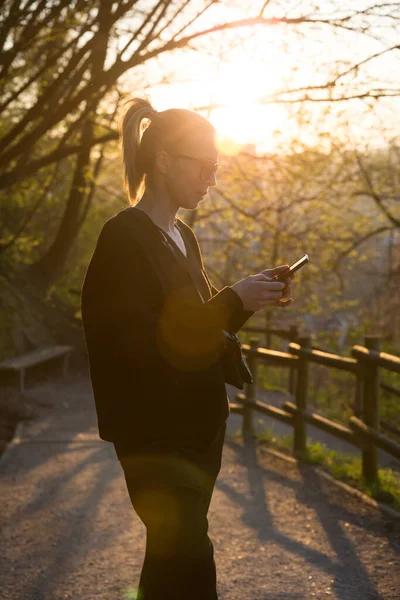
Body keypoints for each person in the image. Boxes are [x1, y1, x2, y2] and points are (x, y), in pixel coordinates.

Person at [81, 97, 294, 600]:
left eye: (216, 168)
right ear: (164, 161)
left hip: (198, 427)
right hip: (155, 433)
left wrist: (246, 299)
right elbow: (142, 342)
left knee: (171, 555)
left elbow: (195, 330)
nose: (212, 179)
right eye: (204, 167)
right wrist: (232, 299)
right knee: (188, 552)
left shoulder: (184, 237)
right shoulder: (122, 239)